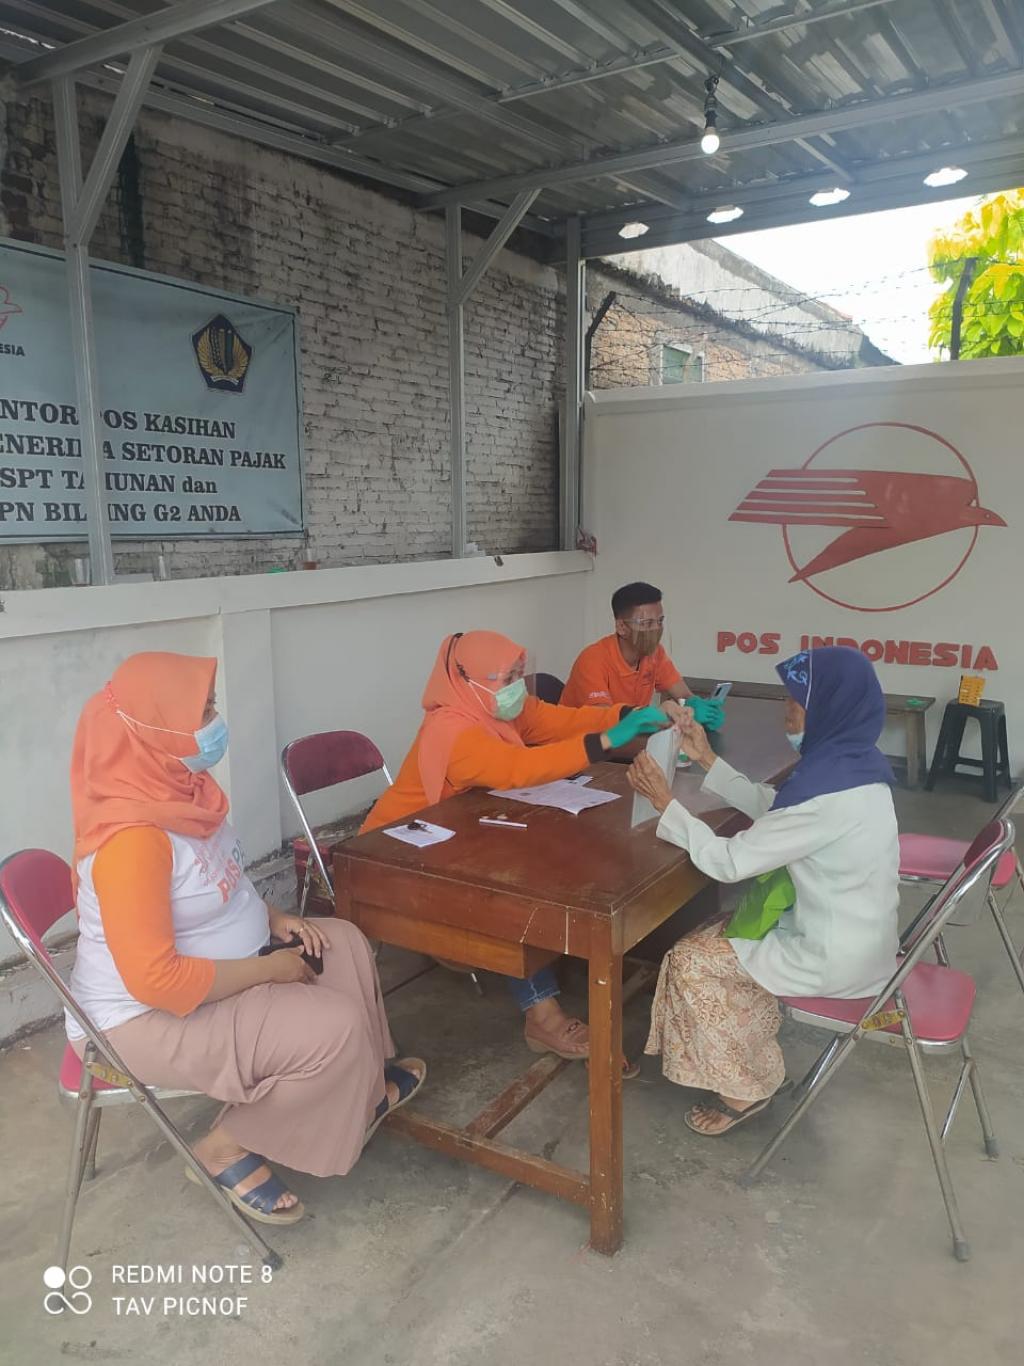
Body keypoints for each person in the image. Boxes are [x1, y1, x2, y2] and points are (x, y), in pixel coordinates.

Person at [67, 651, 425, 1226]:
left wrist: (274, 918)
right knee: (331, 1028)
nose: (216, 722)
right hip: (141, 1019)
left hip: (215, 974)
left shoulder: (183, 792)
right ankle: (226, 1146)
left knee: (343, 945)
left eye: (211, 706)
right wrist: (268, 970)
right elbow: (156, 981)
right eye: (203, 711)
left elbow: (219, 888)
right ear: (156, 729)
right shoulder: (131, 842)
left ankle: (361, 1089)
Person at [627, 646, 898, 1137]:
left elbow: (730, 863)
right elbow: (781, 813)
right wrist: (708, 759)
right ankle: (754, 1058)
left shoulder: (826, 793)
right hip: (860, 938)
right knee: (715, 933)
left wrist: (665, 803)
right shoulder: (854, 767)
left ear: (826, 708)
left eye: (796, 700)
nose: (786, 710)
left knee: (690, 960)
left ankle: (745, 1086)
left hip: (831, 958)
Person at [361, 630, 668, 1063]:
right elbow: (519, 768)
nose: (516, 689)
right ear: (468, 679)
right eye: (507, 679)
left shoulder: (493, 709)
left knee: (550, 851)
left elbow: (561, 721)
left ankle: (560, 952)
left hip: (461, 834)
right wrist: (609, 740)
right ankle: (542, 1014)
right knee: (510, 891)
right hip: (398, 852)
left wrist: (627, 714)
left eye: (518, 675)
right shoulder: (451, 732)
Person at [561, 582, 721, 731]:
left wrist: (697, 706)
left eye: (660, 621)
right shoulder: (593, 660)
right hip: (582, 743)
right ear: (621, 627)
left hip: (628, 739)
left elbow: (684, 695)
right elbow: (606, 721)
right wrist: (660, 716)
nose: (656, 629)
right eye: (646, 623)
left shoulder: (655, 654)